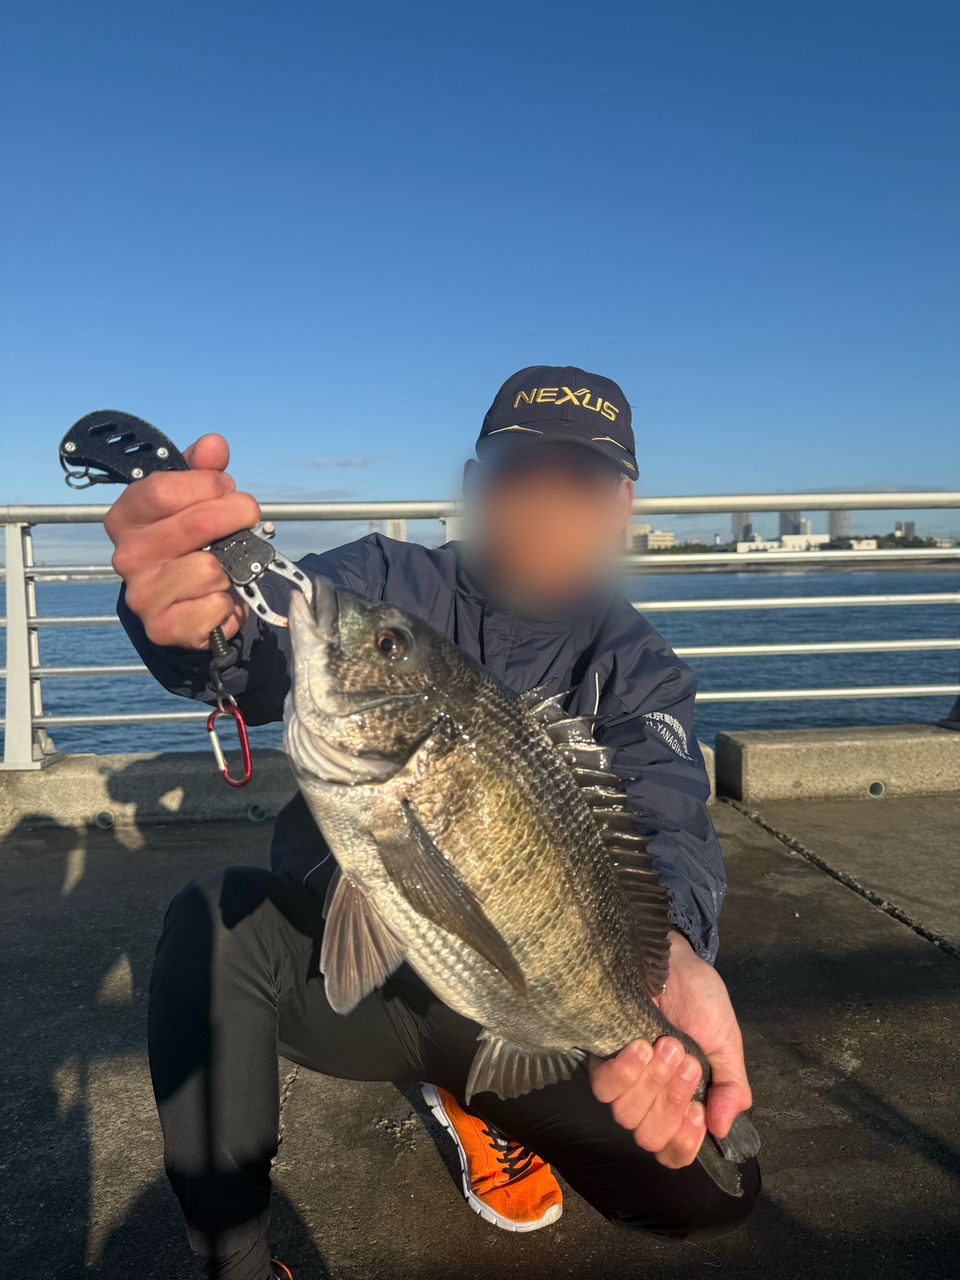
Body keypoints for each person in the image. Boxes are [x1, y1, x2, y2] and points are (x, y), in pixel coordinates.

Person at [106, 365, 760, 1279]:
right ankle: (236, 1256)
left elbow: (668, 822)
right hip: (360, 983)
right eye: (519, 472)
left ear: (621, 506)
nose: (547, 506)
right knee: (211, 925)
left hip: (529, 998)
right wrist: (194, 619)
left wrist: (677, 952)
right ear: (475, 485)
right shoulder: (384, 581)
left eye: (581, 482)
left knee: (717, 1186)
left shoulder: (641, 669)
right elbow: (262, 641)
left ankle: (480, 1099)